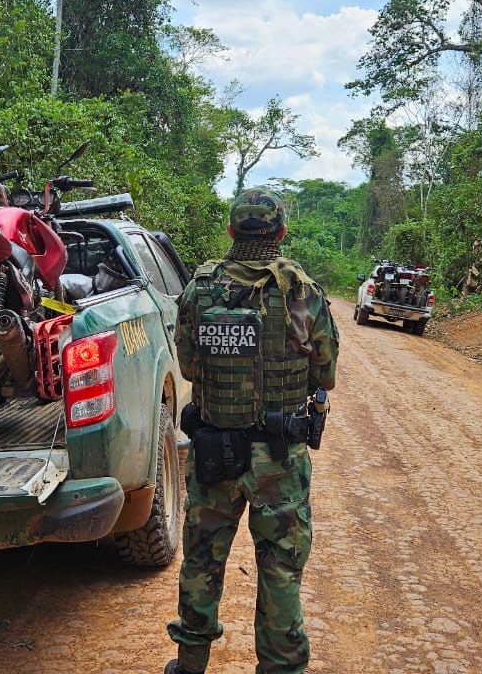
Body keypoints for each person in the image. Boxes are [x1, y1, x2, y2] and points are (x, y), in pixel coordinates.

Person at [165, 188, 339, 674]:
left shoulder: (200, 290)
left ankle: (191, 663)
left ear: (230, 232)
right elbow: (324, 376)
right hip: (280, 461)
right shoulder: (303, 292)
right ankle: (282, 668)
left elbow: (190, 366)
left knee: (202, 561)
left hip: (216, 453)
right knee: (281, 570)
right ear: (280, 233)